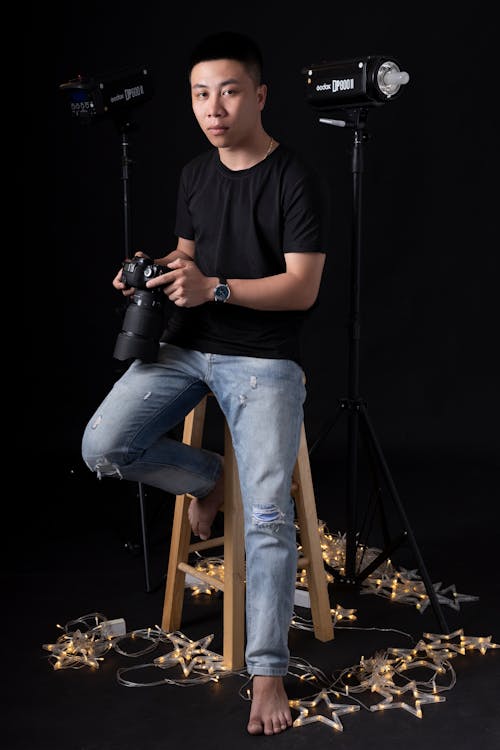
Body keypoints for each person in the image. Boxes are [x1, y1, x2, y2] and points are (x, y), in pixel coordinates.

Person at [82, 30, 330, 736]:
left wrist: (214, 288)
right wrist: (153, 269)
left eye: (226, 91)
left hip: (263, 361)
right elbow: (187, 256)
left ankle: (267, 672)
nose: (212, 107)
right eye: (200, 94)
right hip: (187, 349)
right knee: (103, 447)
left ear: (258, 95)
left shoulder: (294, 178)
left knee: (266, 518)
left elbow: (301, 288)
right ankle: (207, 477)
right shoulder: (195, 173)